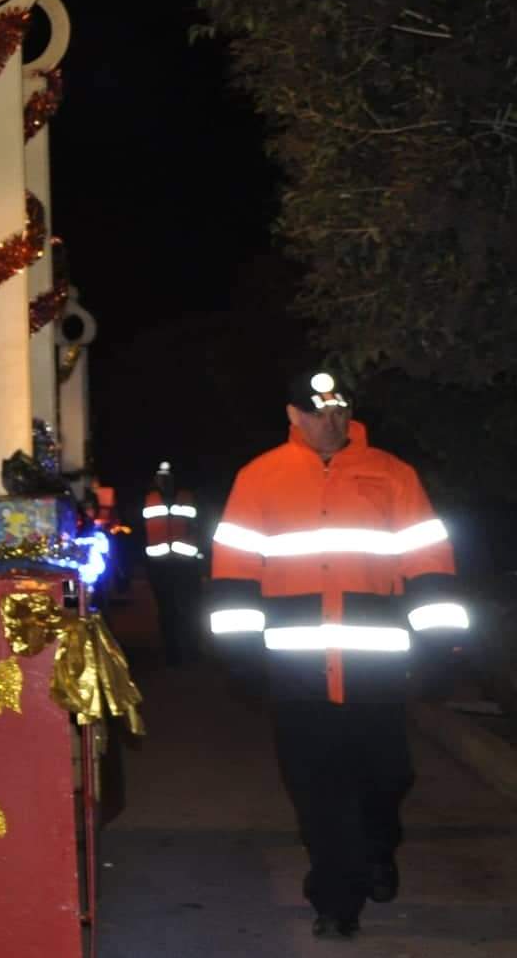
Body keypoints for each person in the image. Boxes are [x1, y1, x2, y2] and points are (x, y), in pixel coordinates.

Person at [209, 368, 469, 941]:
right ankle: (336, 899)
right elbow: (233, 577)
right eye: (318, 411)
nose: (331, 421)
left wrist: (439, 649)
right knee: (316, 789)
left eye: (339, 409)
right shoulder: (259, 479)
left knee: (386, 776)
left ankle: (379, 844)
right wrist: (241, 658)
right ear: (293, 415)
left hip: (375, 668)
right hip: (295, 670)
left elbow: (430, 565)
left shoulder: (393, 476)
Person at [141, 474, 204, 666]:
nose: (165, 480)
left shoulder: (189, 497)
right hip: (160, 566)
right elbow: (140, 531)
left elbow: (202, 526)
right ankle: (173, 654)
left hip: (186, 565)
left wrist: (201, 559)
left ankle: (192, 651)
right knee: (167, 611)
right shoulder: (148, 499)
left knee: (189, 610)